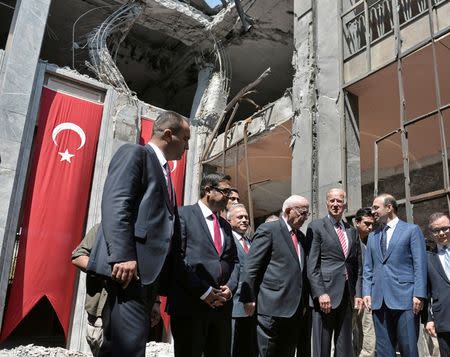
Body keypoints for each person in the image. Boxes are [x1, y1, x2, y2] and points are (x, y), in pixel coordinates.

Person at [87, 111, 190, 357]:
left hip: (147, 274)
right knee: (129, 348)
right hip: (130, 270)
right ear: (168, 134)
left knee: (120, 347)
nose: (187, 146)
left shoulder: (165, 171)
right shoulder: (136, 154)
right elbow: (116, 204)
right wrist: (122, 255)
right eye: (185, 138)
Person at [167, 173, 238, 357]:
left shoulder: (225, 225)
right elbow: (177, 259)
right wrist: (204, 292)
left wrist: (229, 288)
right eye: (225, 191)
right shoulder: (182, 215)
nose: (229, 196)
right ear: (208, 190)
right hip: (190, 306)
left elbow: (233, 261)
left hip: (221, 308)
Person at [72, 224, 161, 356]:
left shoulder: (145, 232)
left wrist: (156, 303)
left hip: (133, 314)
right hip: (101, 315)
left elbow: (151, 272)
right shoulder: (101, 229)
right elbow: (77, 256)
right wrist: (107, 269)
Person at [241, 195, 311, 356]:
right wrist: (248, 297)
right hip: (270, 307)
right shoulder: (269, 230)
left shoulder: (300, 237)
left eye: (307, 214)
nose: (305, 217)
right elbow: (251, 266)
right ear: (288, 211)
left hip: (294, 310)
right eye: (302, 212)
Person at [363, 193, 427, 357]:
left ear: (389, 207)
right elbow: (368, 268)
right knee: (384, 351)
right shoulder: (372, 237)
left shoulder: (411, 230)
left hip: (406, 298)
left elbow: (419, 264)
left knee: (408, 348)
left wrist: (419, 294)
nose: (373, 211)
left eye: (376, 207)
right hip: (379, 301)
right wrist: (366, 292)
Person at [307, 188, 362, 357]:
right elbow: (312, 265)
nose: (335, 204)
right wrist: (320, 293)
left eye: (339, 201)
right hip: (325, 296)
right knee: (322, 346)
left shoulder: (352, 231)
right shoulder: (316, 226)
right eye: (332, 201)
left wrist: (358, 293)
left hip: (346, 295)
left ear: (345, 204)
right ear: (326, 203)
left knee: (345, 346)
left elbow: (356, 265)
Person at [227, 204, 257, 357]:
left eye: (246, 217)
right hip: (233, 304)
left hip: (251, 306)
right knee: (231, 348)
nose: (245, 220)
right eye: (240, 217)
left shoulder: (251, 242)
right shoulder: (228, 240)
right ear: (229, 220)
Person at [424, 212, 450, 356]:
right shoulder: (428, 258)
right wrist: (429, 319)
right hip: (444, 320)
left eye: (445, 228)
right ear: (431, 233)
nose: (441, 233)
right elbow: (426, 292)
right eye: (436, 230)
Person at [351, 208, 375, 357]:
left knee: (368, 334)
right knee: (346, 335)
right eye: (367, 223)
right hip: (351, 296)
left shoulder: (372, 241)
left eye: (372, 224)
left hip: (368, 296)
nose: (371, 227)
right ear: (357, 222)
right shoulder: (348, 240)